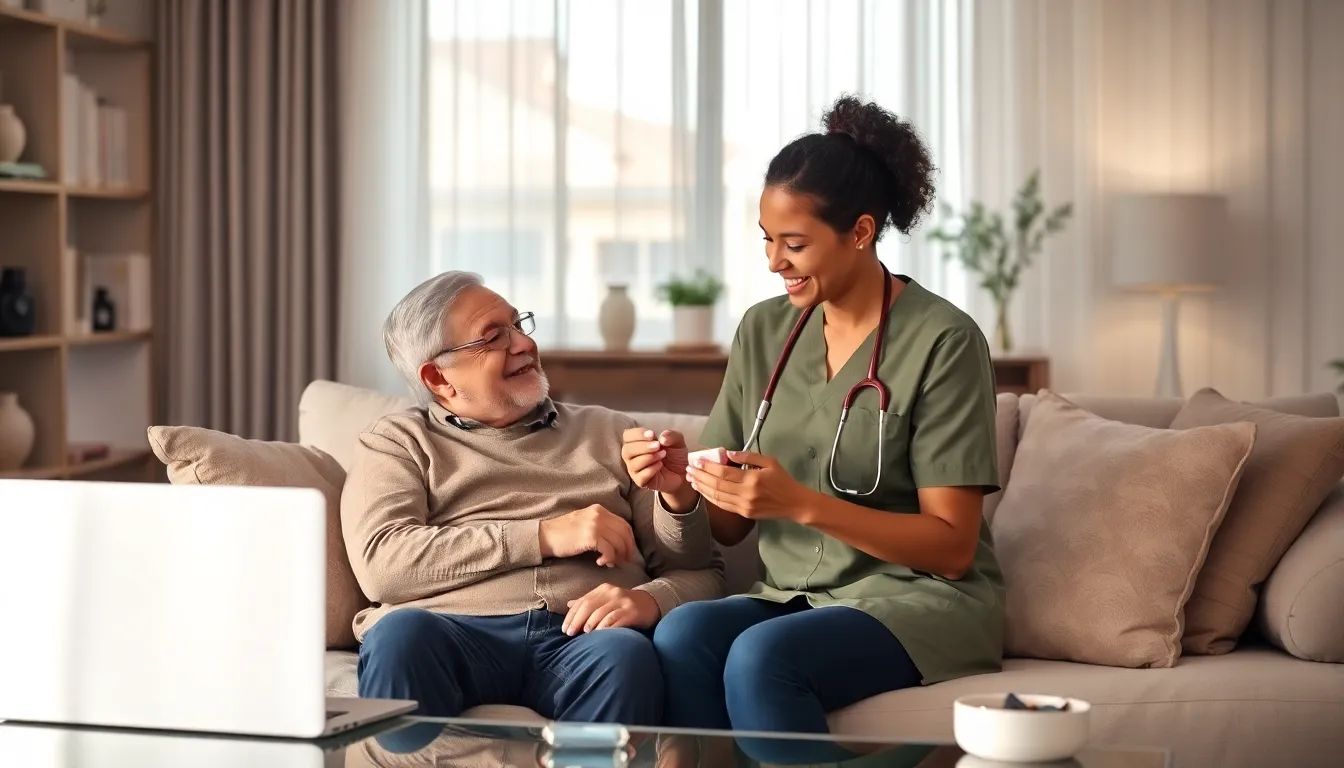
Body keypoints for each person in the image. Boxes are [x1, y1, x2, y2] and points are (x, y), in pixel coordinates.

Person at [622, 95, 1004, 759]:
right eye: (767, 241)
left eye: (795, 244)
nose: (774, 262)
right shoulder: (764, 330)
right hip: (792, 594)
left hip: (917, 601)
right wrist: (682, 486)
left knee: (760, 658)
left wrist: (799, 503)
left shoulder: (943, 340)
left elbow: (952, 549)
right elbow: (732, 527)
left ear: (859, 232)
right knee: (682, 635)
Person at [344, 271, 725, 726]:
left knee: (624, 654)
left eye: (518, 325)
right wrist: (544, 536)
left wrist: (674, 504)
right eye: (493, 338)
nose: (523, 344)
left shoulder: (611, 433)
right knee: (400, 637)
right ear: (438, 378)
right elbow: (383, 566)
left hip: (581, 638)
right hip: (447, 631)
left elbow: (700, 571)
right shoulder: (397, 441)